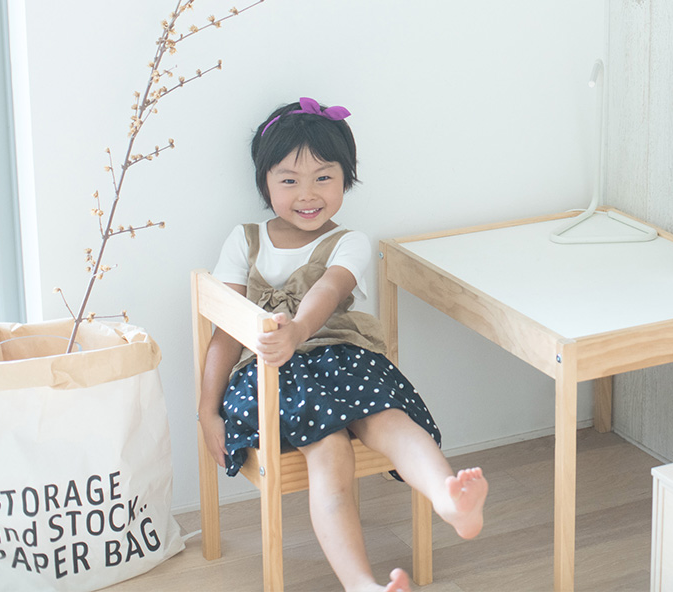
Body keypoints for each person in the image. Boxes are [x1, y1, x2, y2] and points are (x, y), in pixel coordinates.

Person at [198, 97, 487, 592]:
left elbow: (327, 294)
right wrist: (207, 411)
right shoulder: (244, 240)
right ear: (265, 183)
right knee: (330, 453)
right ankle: (360, 584)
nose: (308, 194)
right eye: (289, 180)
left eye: (323, 177)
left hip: (344, 360)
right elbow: (224, 330)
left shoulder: (348, 241)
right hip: (272, 379)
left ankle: (449, 498)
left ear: (346, 179)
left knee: (390, 420)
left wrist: (296, 331)